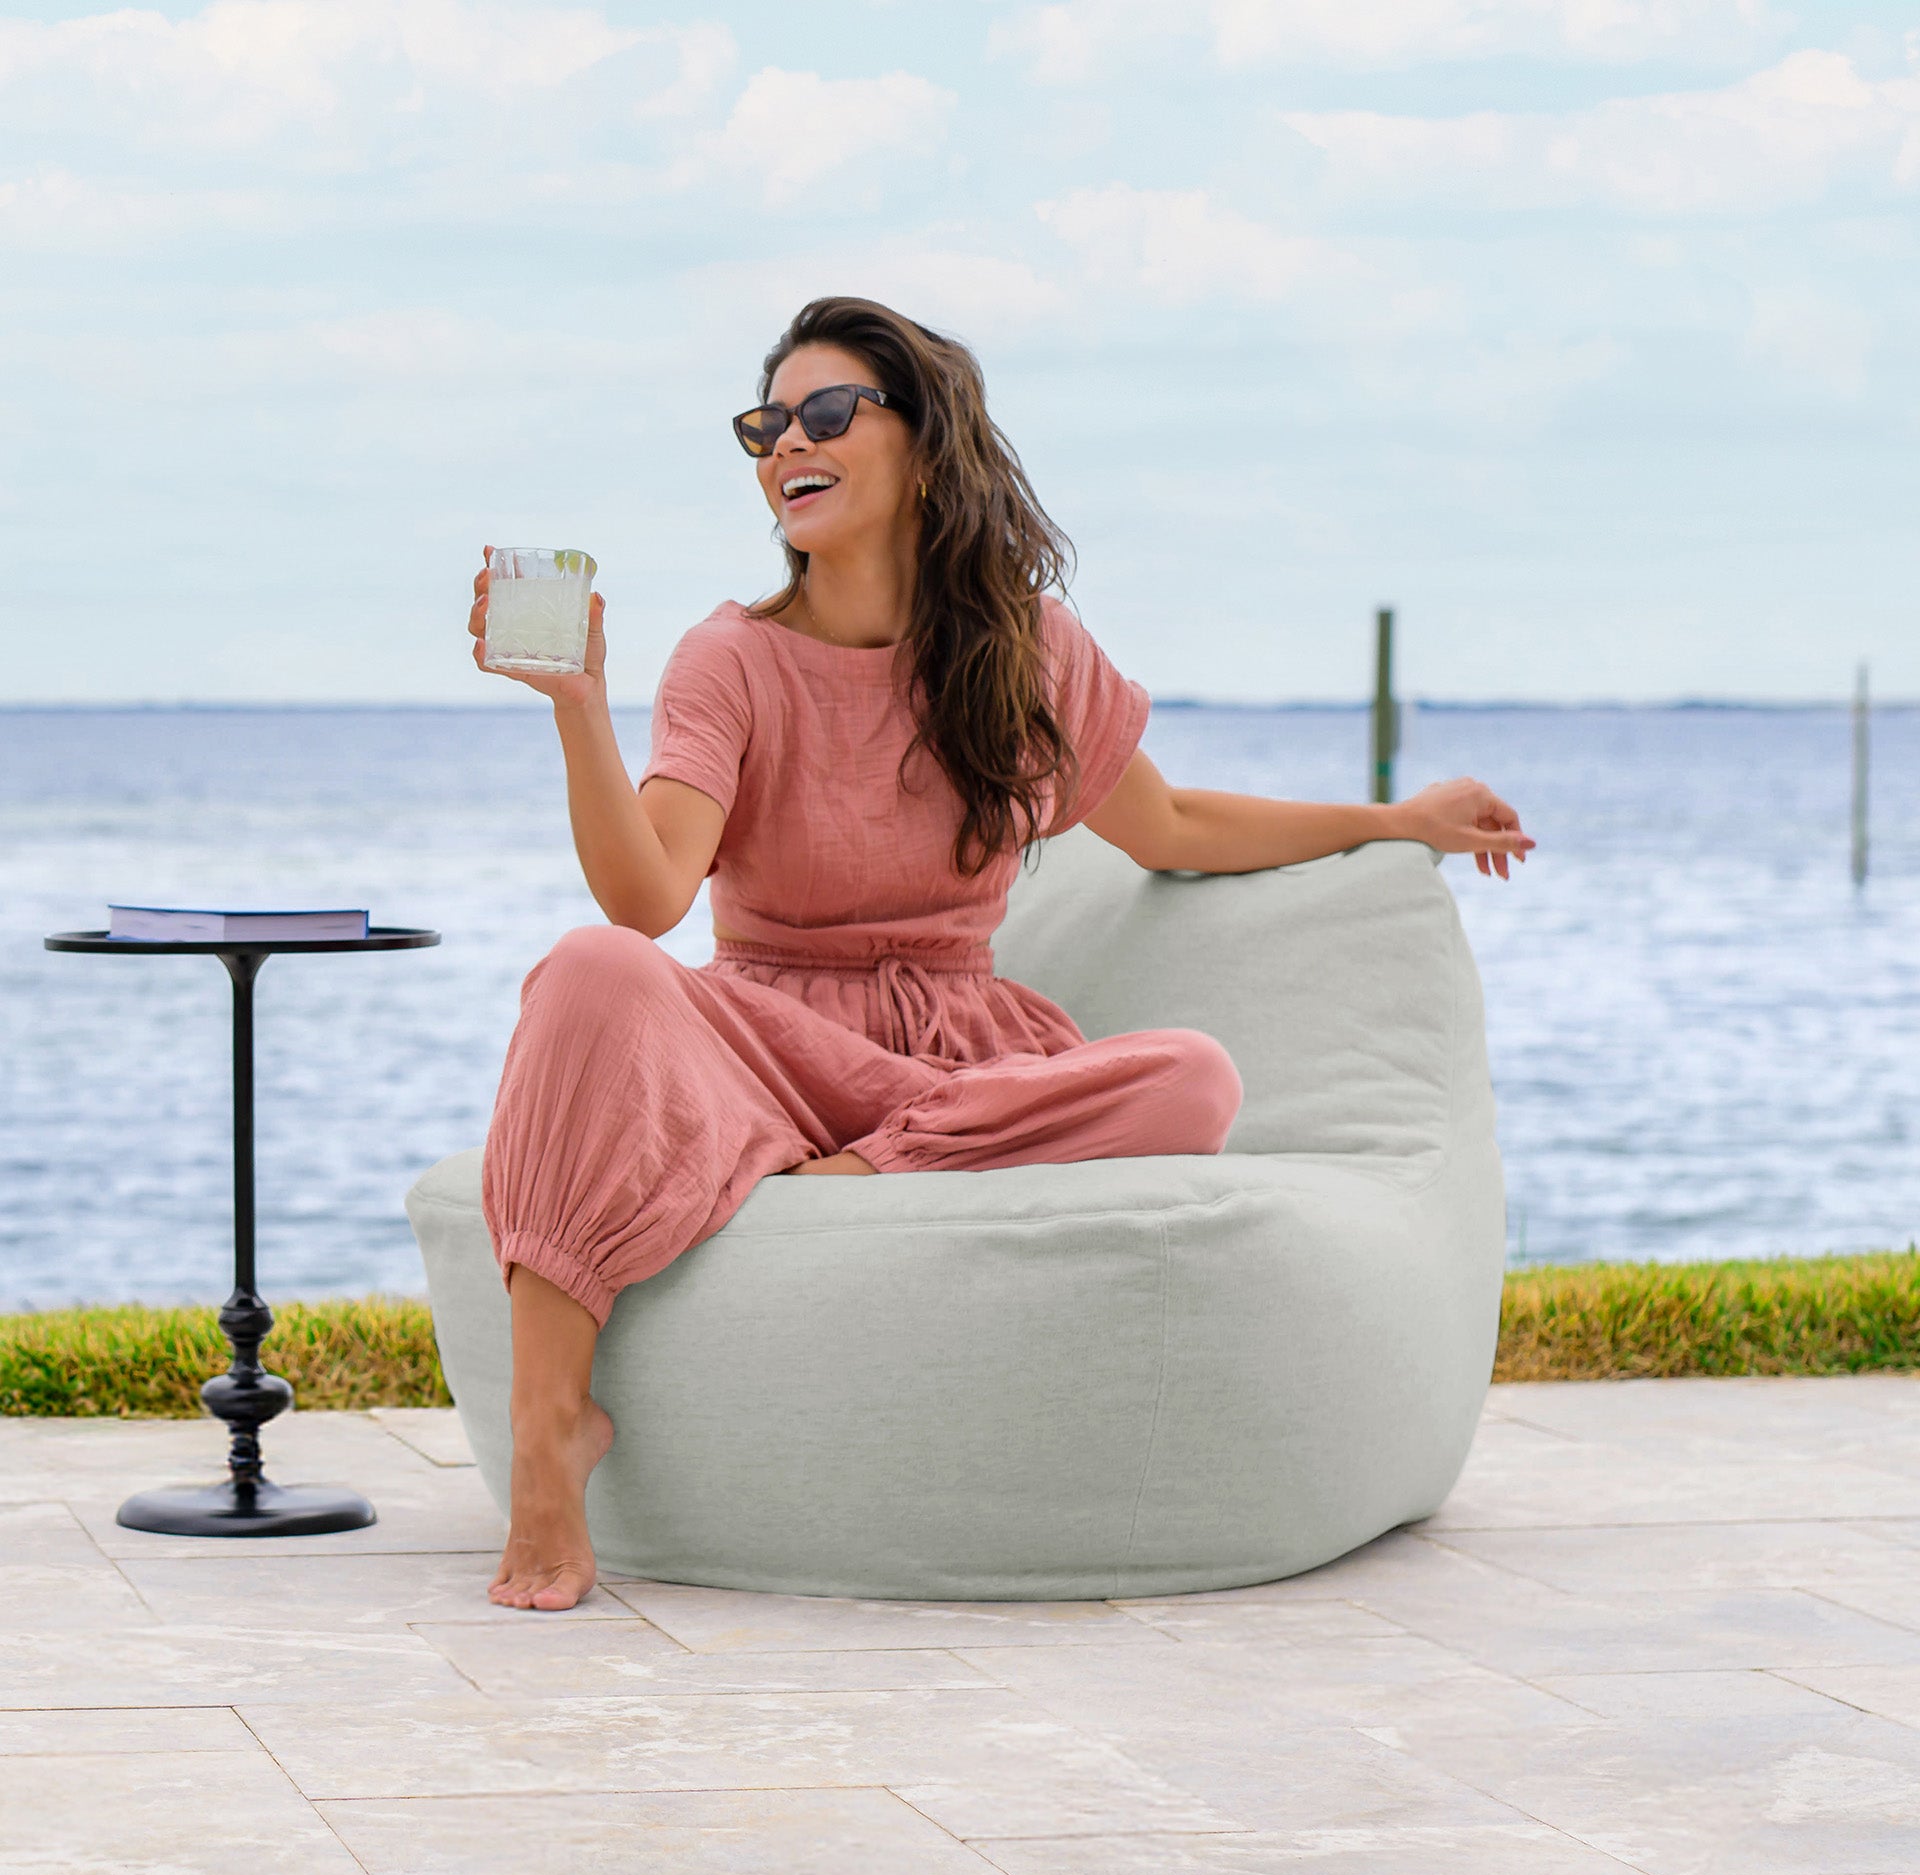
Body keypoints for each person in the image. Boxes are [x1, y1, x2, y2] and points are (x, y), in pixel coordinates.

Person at [466, 294, 1535, 1612]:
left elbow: (1174, 827)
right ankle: (548, 1437)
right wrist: (579, 708)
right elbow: (645, 900)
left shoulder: (1026, 650)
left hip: (951, 1064)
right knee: (587, 969)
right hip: (766, 1047)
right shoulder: (727, 659)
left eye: (825, 413)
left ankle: (845, 1174)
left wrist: (1396, 819)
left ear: (926, 445)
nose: (785, 444)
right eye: (764, 425)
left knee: (1191, 1078)